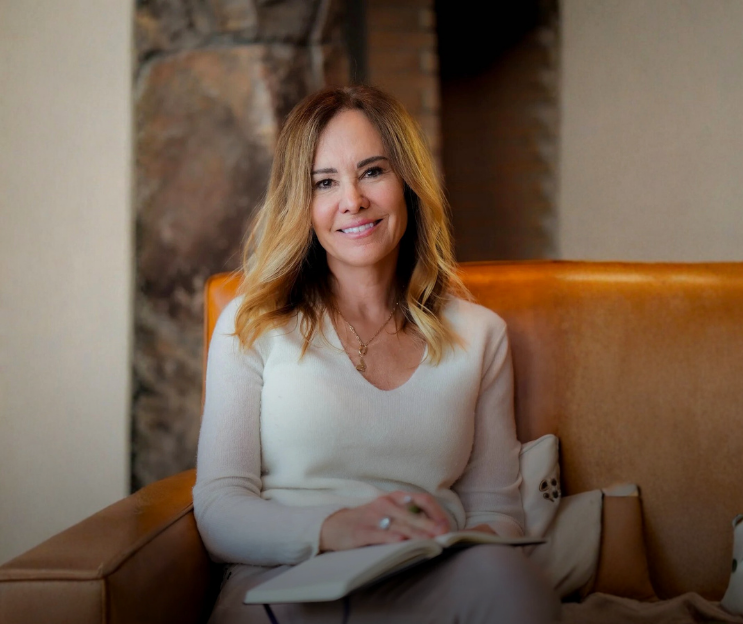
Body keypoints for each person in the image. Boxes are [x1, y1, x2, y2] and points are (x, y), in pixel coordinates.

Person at [193, 85, 560, 623]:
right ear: (302, 204)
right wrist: (336, 527)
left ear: (407, 183)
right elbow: (219, 507)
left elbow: (496, 512)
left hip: (423, 579)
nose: (353, 200)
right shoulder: (253, 324)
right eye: (324, 182)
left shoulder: (481, 335)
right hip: (289, 583)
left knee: (512, 584)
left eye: (372, 172)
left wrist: (452, 545)